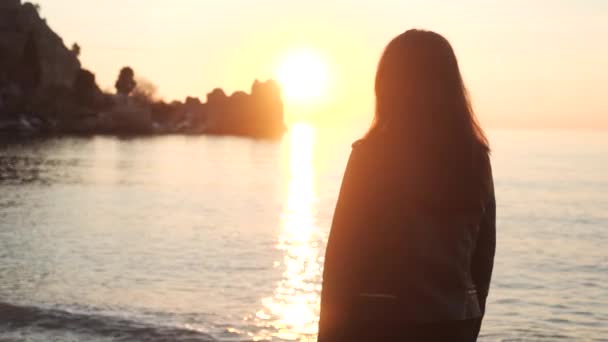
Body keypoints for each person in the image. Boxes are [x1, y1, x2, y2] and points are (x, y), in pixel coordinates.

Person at [318, 29, 496, 341]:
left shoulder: (372, 155)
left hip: (381, 321)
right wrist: (469, 317)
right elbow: (483, 257)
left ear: (389, 86)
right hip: (455, 320)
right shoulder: (475, 158)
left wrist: (327, 334)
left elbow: (341, 258)